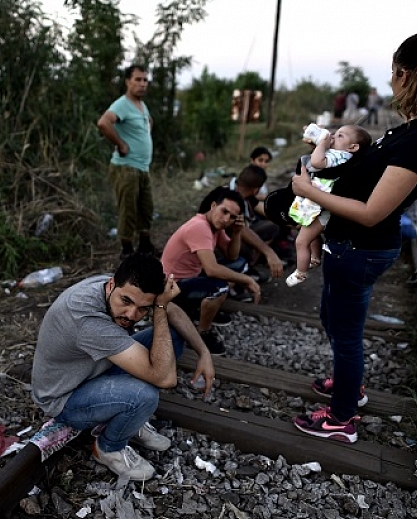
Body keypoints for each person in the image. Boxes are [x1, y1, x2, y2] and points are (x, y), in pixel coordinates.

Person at [290, 32, 417, 443]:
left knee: (346, 333)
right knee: (332, 317)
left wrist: (309, 191)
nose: (391, 82)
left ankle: (341, 418)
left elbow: (372, 213)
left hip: (360, 248)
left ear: (404, 75)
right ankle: (348, 385)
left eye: (393, 73)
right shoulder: (412, 129)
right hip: (346, 244)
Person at [31, 253, 215, 481]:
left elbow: (172, 310)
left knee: (173, 336)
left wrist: (204, 352)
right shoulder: (86, 319)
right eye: (126, 301)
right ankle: (109, 448)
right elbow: (166, 379)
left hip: (93, 368)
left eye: (143, 308)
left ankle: (128, 421)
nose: (131, 315)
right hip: (64, 397)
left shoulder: (119, 284)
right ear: (111, 285)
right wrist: (158, 308)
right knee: (144, 395)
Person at [160, 188, 261, 356]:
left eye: (233, 217)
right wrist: (247, 280)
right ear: (213, 205)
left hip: (191, 276)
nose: (226, 219)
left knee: (239, 264)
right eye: (224, 211)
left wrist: (236, 232)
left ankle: (204, 309)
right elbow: (212, 269)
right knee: (220, 288)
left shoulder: (215, 226)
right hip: (171, 288)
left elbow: (232, 255)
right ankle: (202, 332)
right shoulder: (199, 227)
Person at [286, 124, 372, 287]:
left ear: (353, 147)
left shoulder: (341, 156)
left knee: (300, 241)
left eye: (340, 136)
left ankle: (300, 273)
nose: (332, 136)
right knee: (311, 234)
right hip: (318, 204)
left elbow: (317, 162)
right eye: (335, 133)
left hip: (321, 207)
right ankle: (315, 258)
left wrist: (322, 144)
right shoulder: (339, 154)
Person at [97, 64, 157, 260]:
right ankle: (127, 250)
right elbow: (104, 123)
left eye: (145, 80)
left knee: (146, 207)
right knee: (128, 209)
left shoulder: (141, 104)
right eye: (137, 80)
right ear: (127, 82)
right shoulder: (122, 104)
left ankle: (145, 245)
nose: (142, 84)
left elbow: (148, 121)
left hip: (142, 167)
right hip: (126, 167)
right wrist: (121, 144)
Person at [200, 165, 285, 293]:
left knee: (272, 227)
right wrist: (268, 252)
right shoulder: (226, 197)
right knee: (242, 241)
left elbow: (262, 210)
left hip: (230, 233)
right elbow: (241, 229)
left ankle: (247, 267)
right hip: (213, 240)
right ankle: (239, 275)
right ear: (256, 189)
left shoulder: (245, 194)